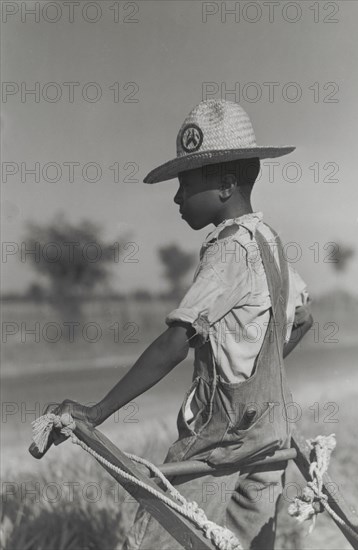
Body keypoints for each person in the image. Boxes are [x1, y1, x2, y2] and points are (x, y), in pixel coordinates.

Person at [51, 99, 313, 549]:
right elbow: (304, 319)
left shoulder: (228, 250)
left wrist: (96, 412)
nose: (176, 197)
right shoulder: (269, 241)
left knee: (156, 538)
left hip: (221, 442)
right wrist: (257, 373)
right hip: (271, 434)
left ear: (227, 184)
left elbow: (176, 342)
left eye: (186, 183)